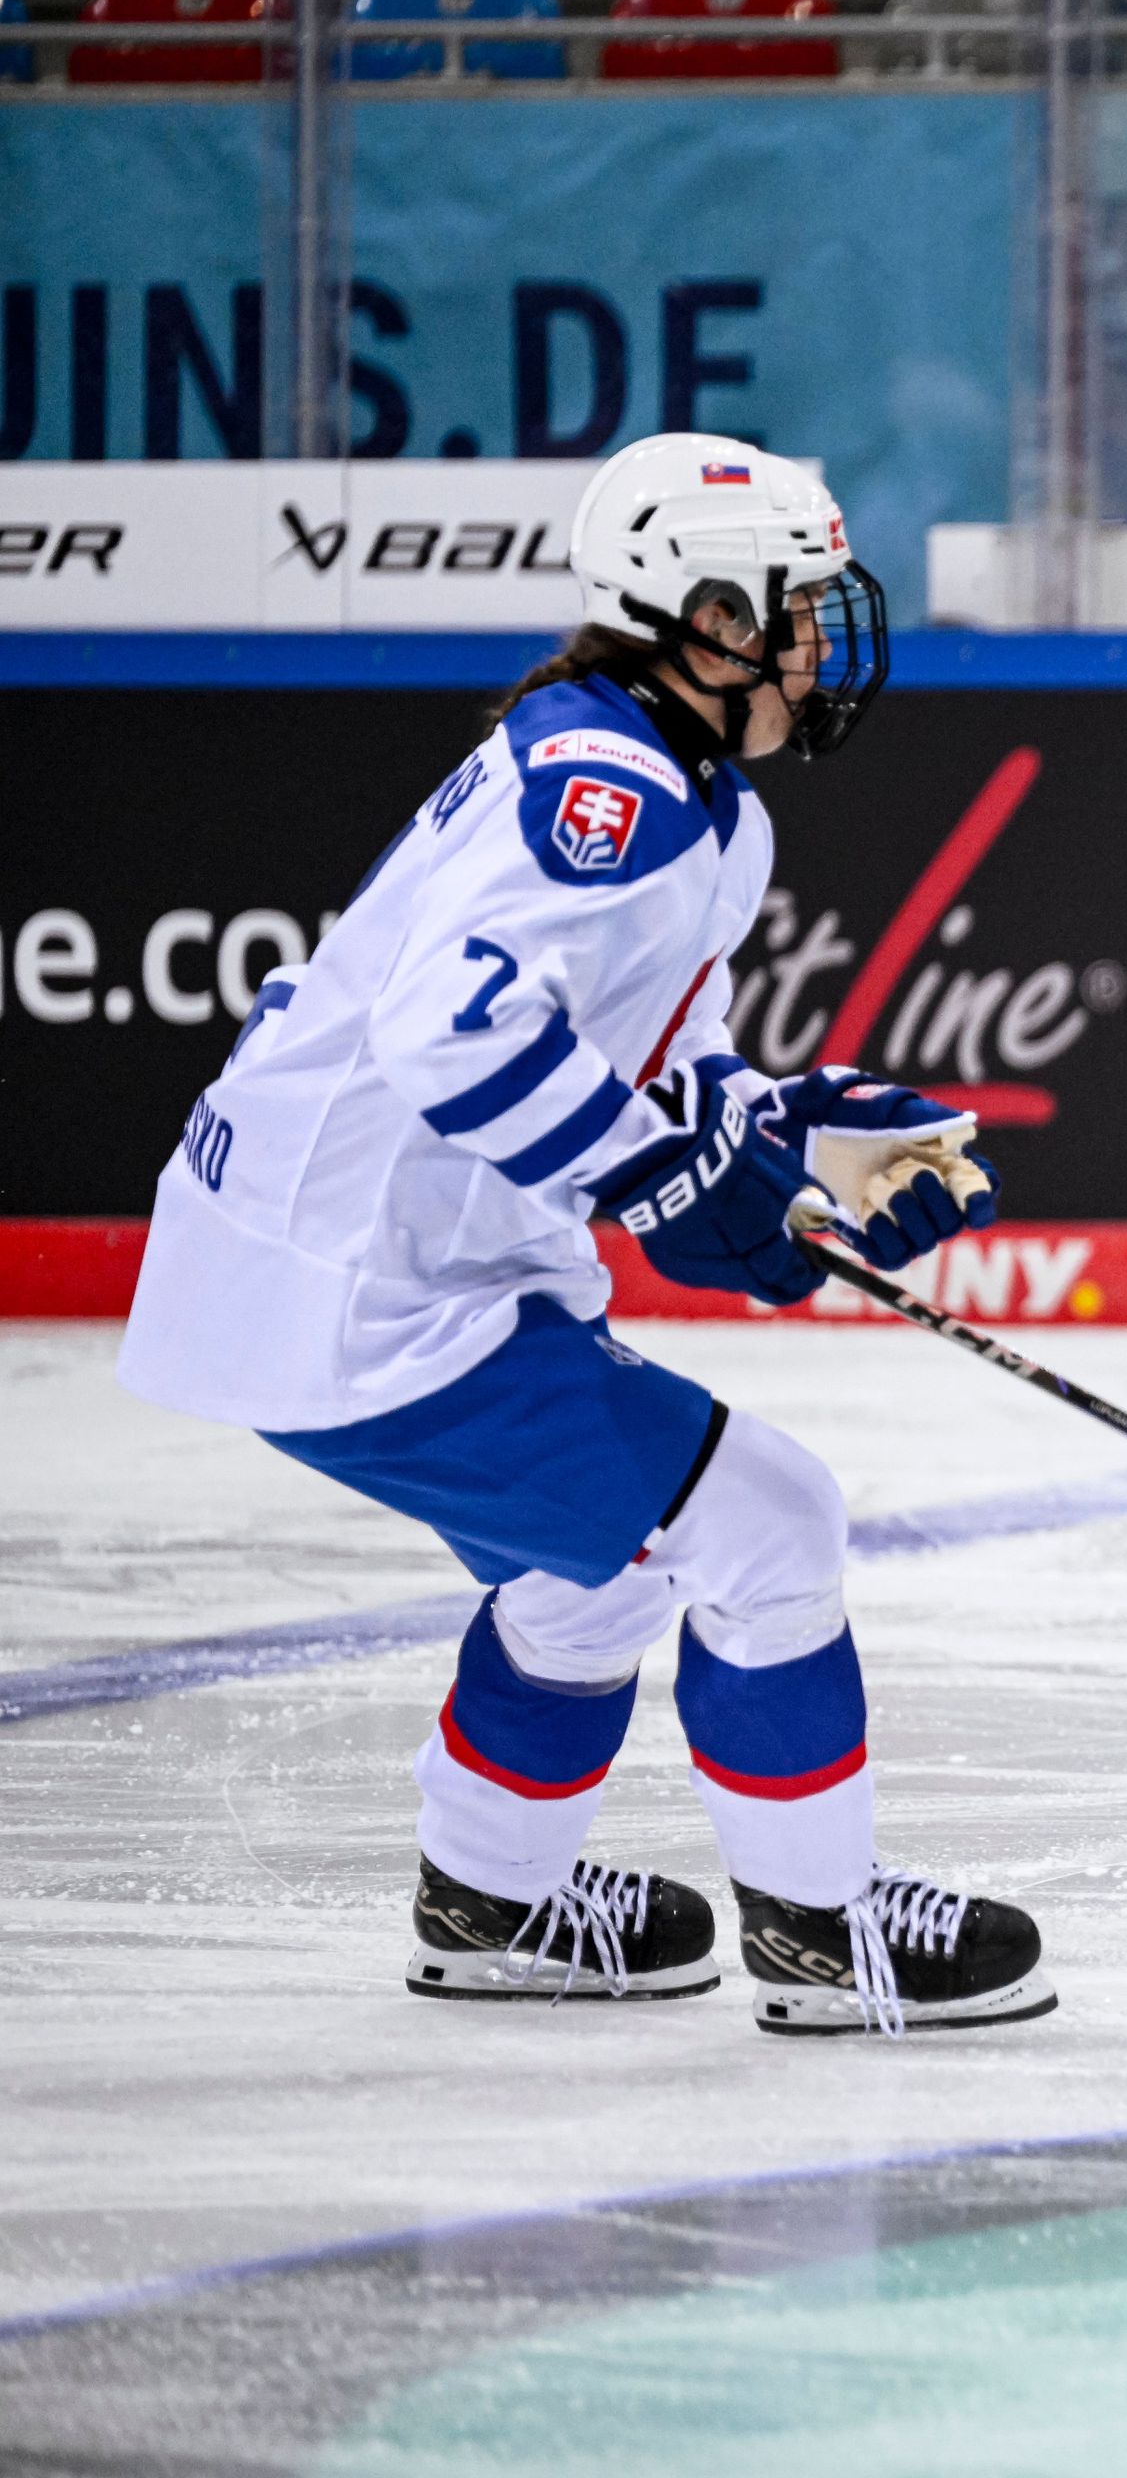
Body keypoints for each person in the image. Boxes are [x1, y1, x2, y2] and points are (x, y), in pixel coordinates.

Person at [114, 435, 1052, 2036]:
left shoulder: (693, 795)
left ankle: (492, 1899)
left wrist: (789, 1126)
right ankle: (824, 1932)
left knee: (594, 1578)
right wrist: (665, 1183)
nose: (823, 641)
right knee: (769, 1524)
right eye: (796, 607)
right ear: (697, 614)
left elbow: (651, 1063)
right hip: (356, 1281)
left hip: (375, 1260)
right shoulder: (606, 790)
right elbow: (454, 1028)